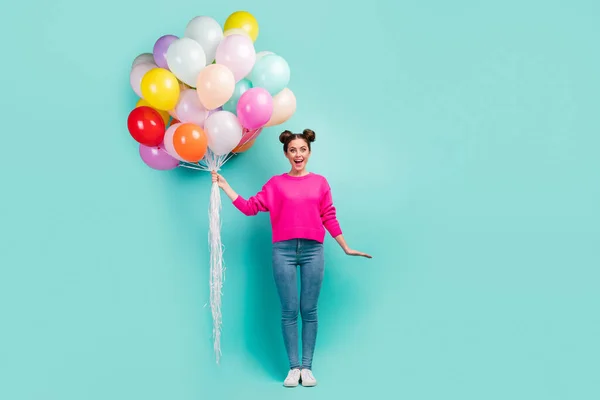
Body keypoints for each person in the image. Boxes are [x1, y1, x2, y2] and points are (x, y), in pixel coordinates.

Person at [211, 128, 371, 387]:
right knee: (288, 311)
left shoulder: (320, 183)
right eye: (293, 150)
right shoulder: (276, 184)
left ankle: (307, 368)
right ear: (286, 153)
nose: (298, 154)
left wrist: (345, 246)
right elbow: (250, 208)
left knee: (308, 310)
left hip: (313, 251)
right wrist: (226, 186)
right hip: (282, 251)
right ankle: (293, 367)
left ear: (309, 152)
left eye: (303, 150)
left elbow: (328, 215)